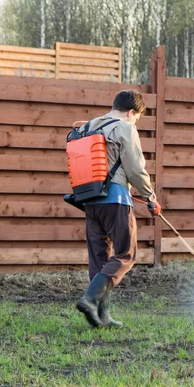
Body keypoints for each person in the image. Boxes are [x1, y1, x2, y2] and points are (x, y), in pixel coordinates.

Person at [75, 90, 161, 328]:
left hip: (90, 200)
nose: (135, 123)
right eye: (136, 118)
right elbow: (135, 169)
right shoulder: (125, 127)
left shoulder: (88, 126)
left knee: (99, 258)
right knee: (126, 253)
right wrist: (150, 198)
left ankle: (102, 316)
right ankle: (90, 300)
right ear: (131, 112)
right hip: (115, 200)